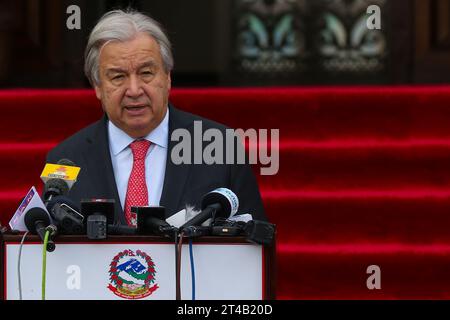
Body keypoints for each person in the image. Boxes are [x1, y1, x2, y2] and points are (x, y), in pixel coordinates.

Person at [46, 9, 266, 226]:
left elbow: (255, 242)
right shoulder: (66, 158)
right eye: (118, 76)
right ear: (97, 87)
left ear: (168, 77)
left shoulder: (218, 145)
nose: (134, 90)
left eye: (146, 73)